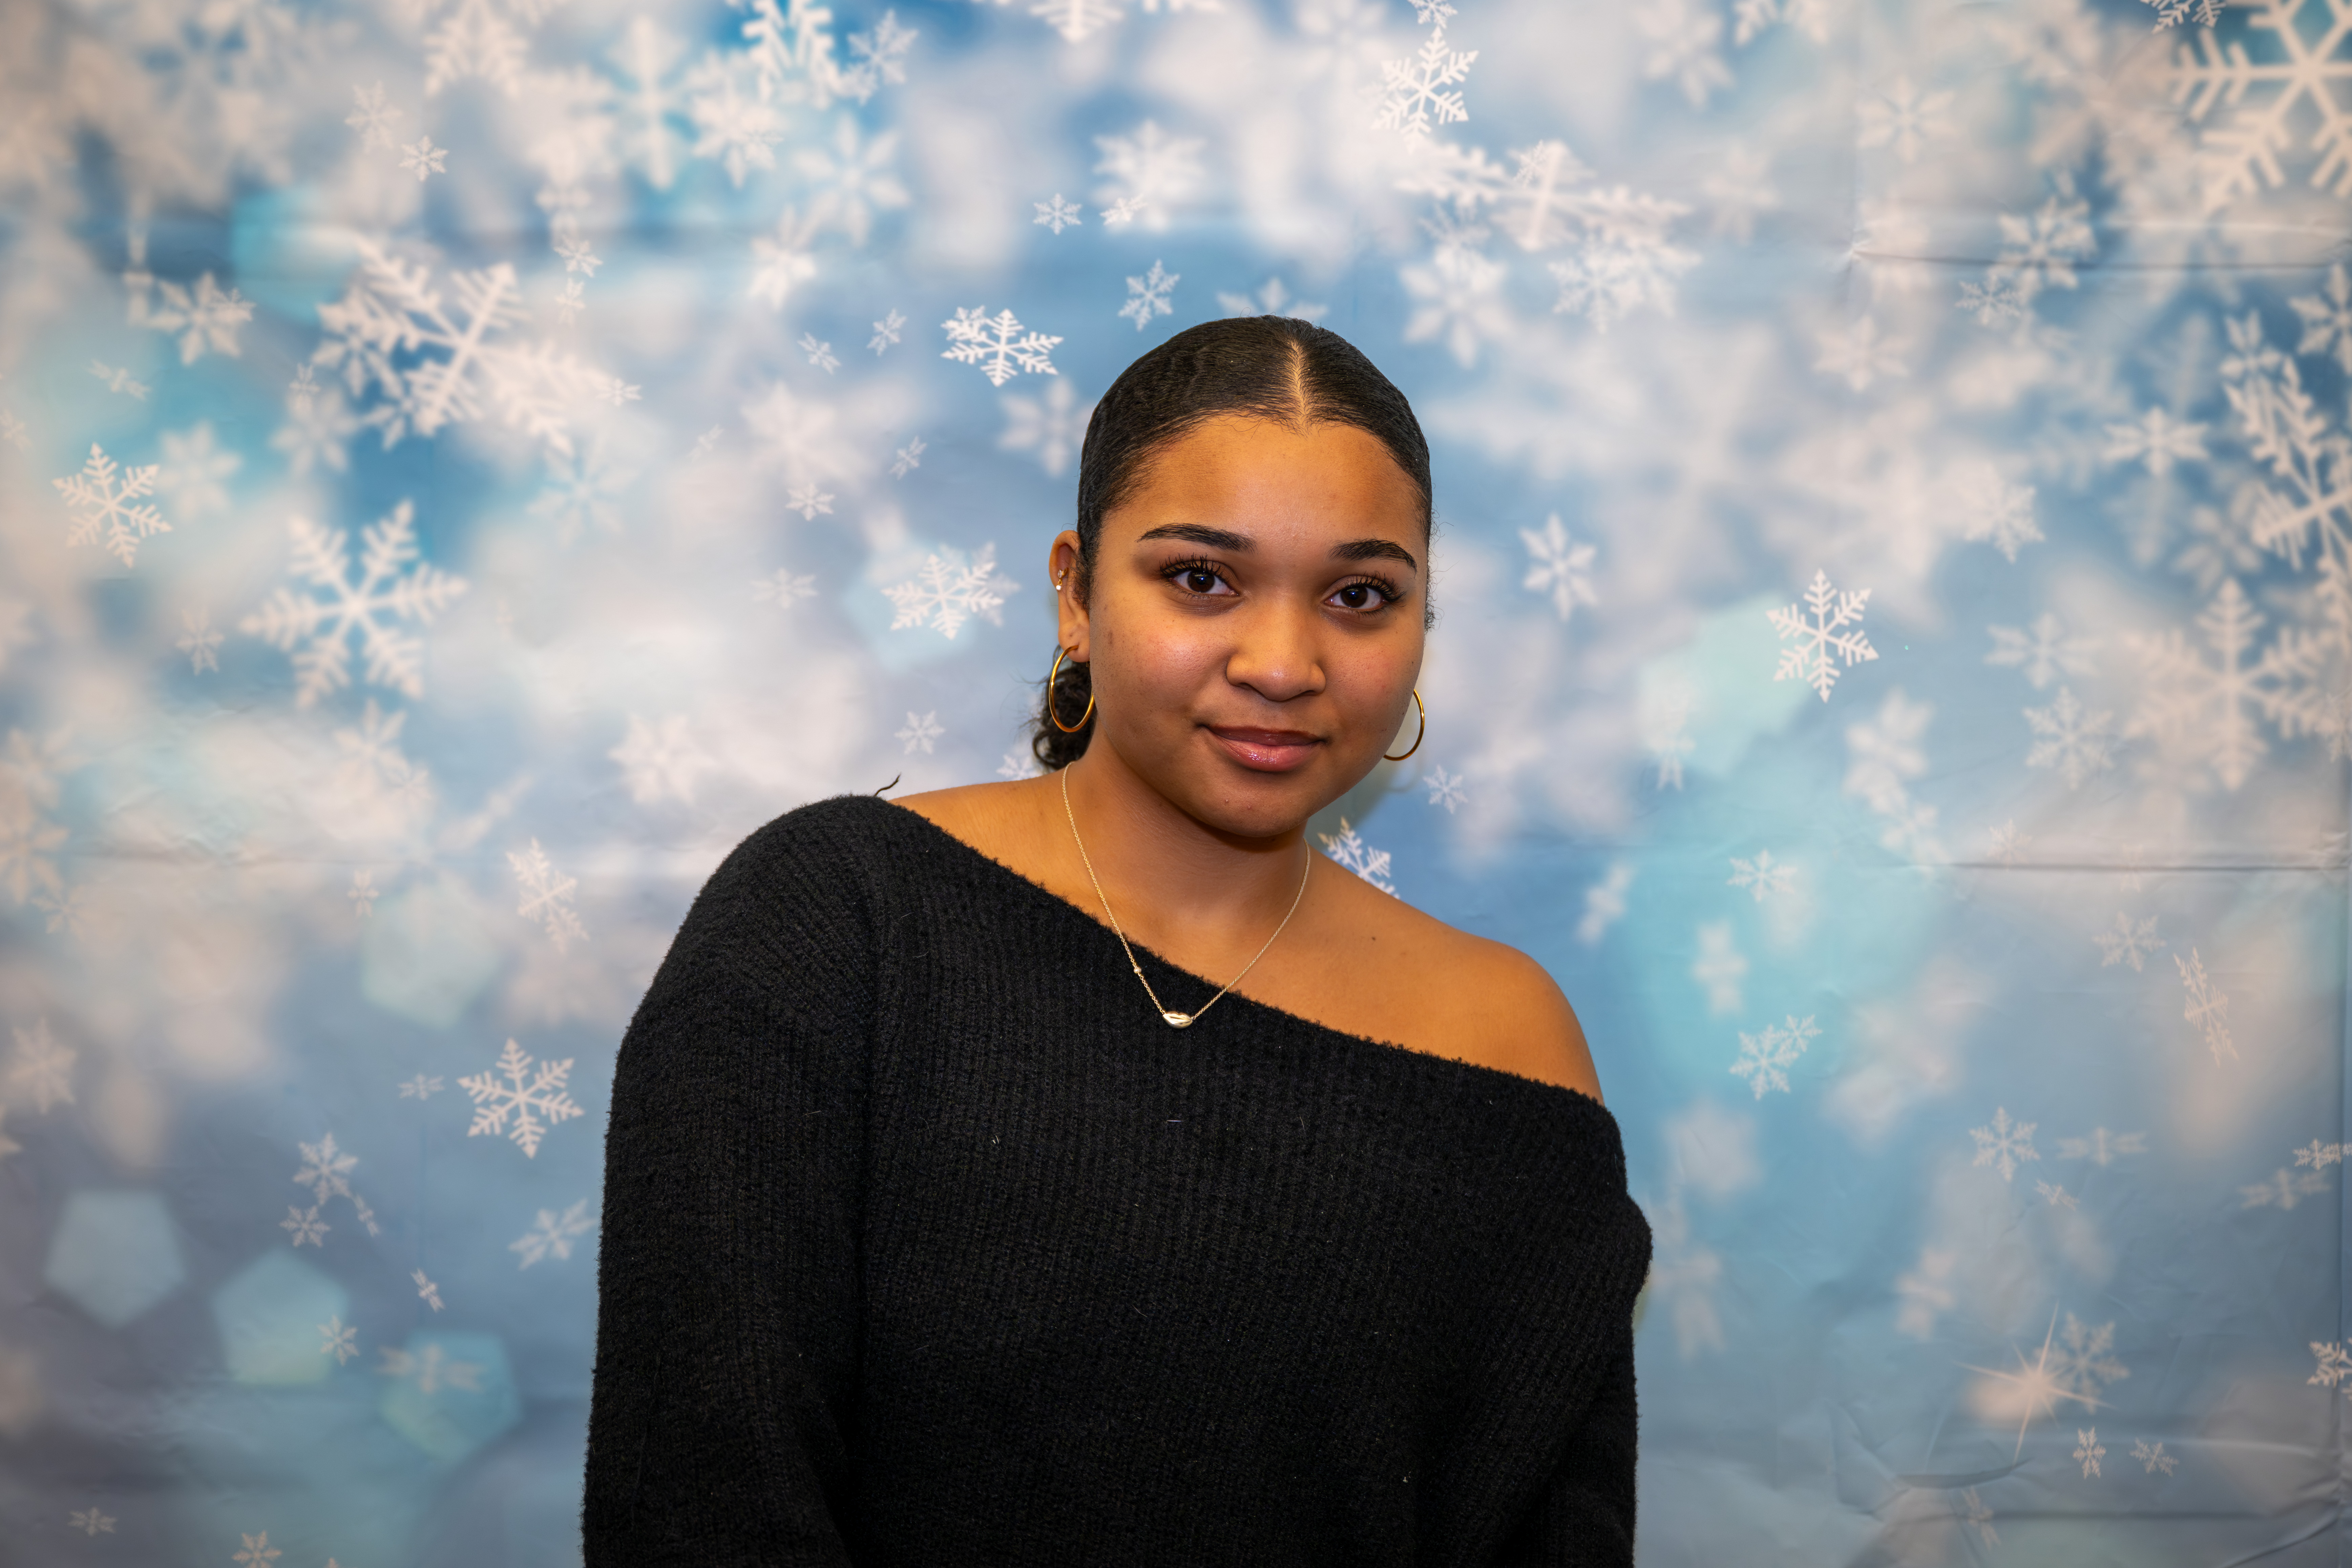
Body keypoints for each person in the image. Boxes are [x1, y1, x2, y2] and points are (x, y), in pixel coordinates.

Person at [583, 316, 1653, 1565]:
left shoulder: (1514, 1048)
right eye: (1202, 578)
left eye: (1361, 596)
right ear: (1076, 593)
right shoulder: (838, 925)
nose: (1284, 662)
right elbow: (703, 1504)